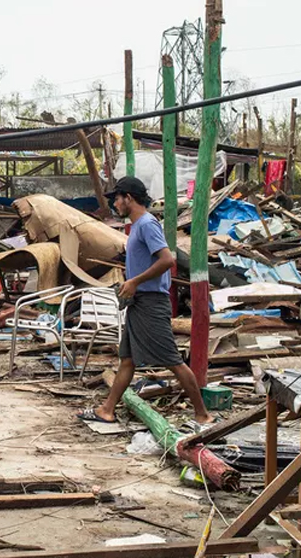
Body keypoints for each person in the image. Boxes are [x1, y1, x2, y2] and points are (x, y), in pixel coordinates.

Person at [78, 176, 214, 426]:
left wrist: (135, 281)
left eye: (117, 199)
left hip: (151, 303)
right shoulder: (138, 226)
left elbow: (167, 260)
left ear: (129, 198)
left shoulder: (147, 224)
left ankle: (202, 414)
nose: (115, 205)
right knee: (127, 359)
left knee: (173, 360)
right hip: (139, 302)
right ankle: (107, 410)